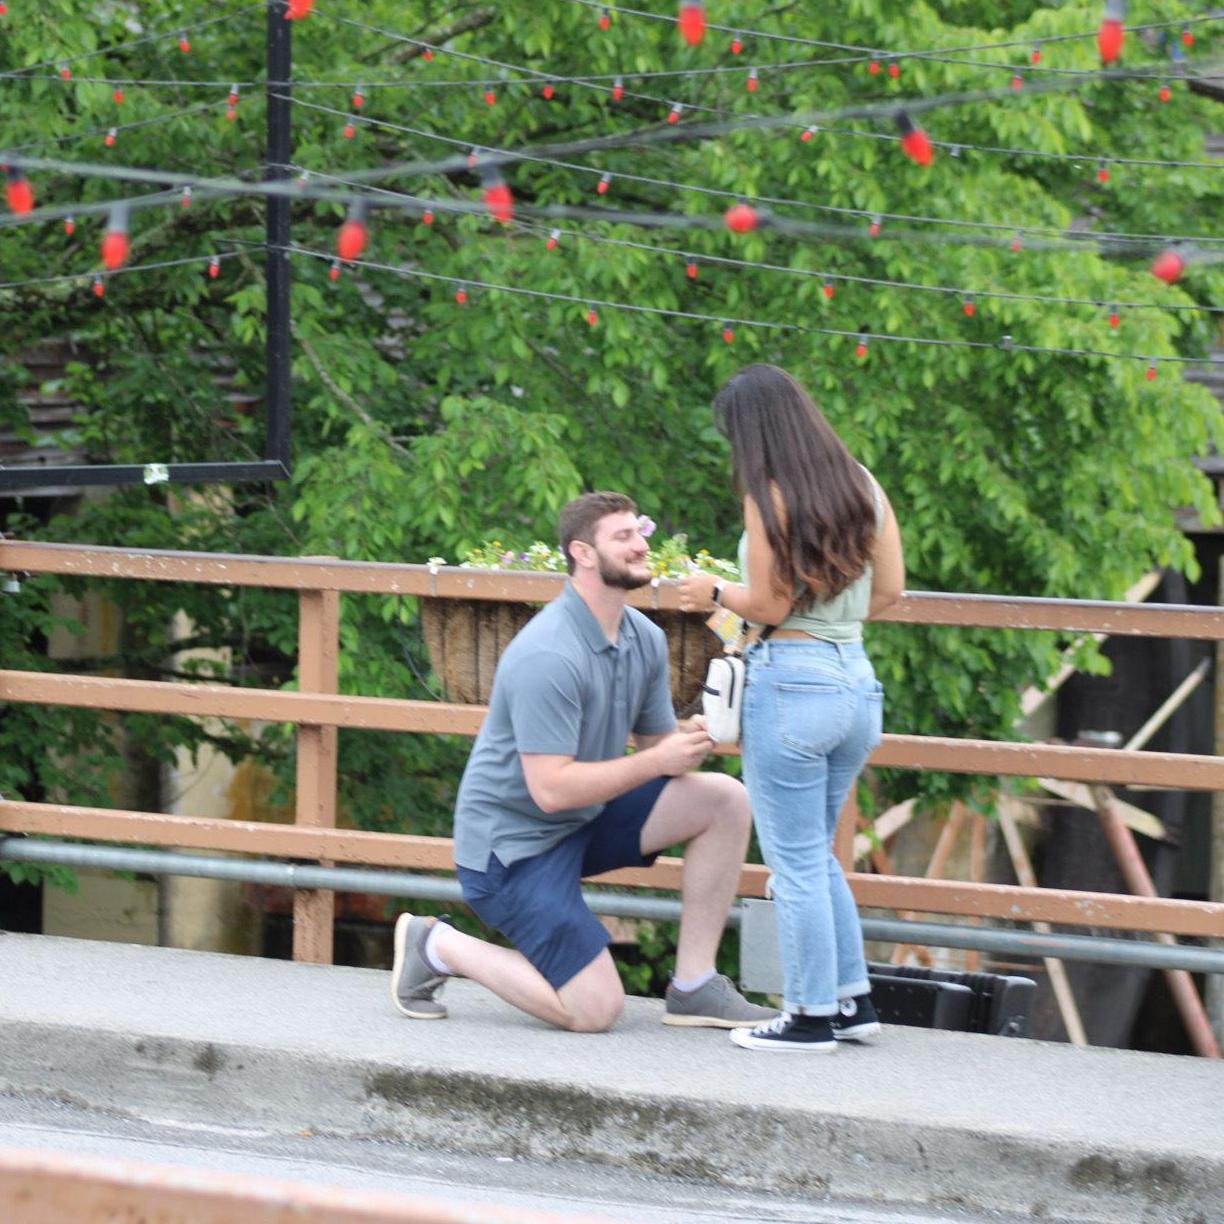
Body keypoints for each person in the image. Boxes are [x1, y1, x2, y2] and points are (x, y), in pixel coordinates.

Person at [390, 491, 776, 1034]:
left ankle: (693, 987)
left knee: (723, 799)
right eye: (623, 537)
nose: (643, 545)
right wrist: (658, 760)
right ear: (583, 553)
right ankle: (439, 945)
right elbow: (549, 790)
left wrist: (687, 741)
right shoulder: (548, 653)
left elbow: (655, 754)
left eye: (641, 531)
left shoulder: (644, 637)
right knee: (595, 1010)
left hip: (581, 822)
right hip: (511, 852)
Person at [678, 364, 905, 1053]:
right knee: (820, 855)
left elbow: (770, 604)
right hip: (856, 681)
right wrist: (830, 613)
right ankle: (850, 998)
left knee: (797, 861)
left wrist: (713, 591)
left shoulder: (766, 494)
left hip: (794, 685)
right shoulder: (862, 483)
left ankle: (808, 1017)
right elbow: (890, 590)